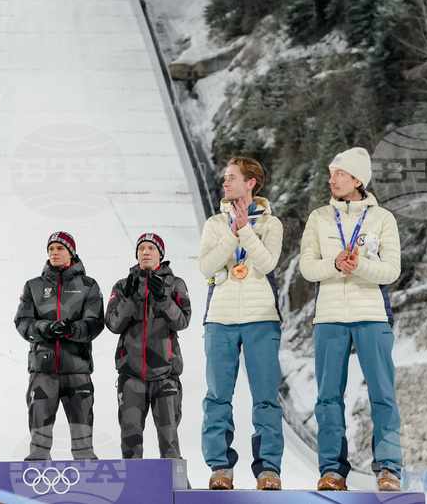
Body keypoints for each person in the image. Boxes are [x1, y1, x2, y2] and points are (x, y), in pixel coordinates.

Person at [299, 147, 403, 492]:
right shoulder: (318, 218)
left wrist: (359, 265)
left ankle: (388, 469)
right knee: (328, 397)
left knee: (382, 394)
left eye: (339, 174)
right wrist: (334, 264)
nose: (332, 179)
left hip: (371, 314)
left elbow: (390, 270)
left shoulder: (382, 218)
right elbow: (306, 267)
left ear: (358, 179)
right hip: (328, 317)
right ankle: (332, 470)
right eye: (331, 173)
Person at [198, 157, 284, 491]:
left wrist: (245, 230)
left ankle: (268, 470)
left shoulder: (271, 224)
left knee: (266, 397)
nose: (224, 183)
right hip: (220, 318)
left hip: (262, 317)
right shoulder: (214, 223)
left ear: (250, 183)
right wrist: (231, 235)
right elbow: (206, 267)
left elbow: (266, 262)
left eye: (231, 177)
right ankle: (221, 467)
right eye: (224, 178)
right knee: (218, 396)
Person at [14, 232, 105, 460]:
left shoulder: (88, 286)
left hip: (77, 370)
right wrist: (46, 328)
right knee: (39, 444)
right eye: (51, 248)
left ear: (71, 252)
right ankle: (37, 482)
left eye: (60, 248)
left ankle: (88, 486)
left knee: (83, 442)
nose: (54, 252)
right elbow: (22, 322)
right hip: (43, 372)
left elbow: (95, 323)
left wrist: (70, 330)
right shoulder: (33, 286)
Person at [105, 233, 191, 460]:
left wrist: (163, 297)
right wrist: (130, 299)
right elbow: (113, 324)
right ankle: (134, 491)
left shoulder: (175, 284)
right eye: (141, 248)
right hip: (131, 375)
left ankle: (176, 491)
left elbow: (182, 322)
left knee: (169, 439)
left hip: (165, 374)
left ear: (160, 254)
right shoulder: (123, 285)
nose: (145, 252)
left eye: (151, 248)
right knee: (130, 439)